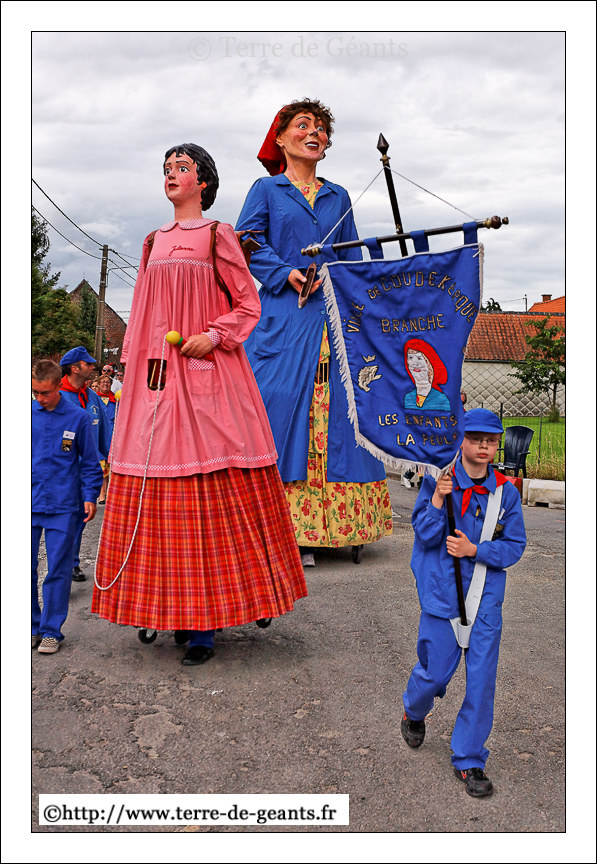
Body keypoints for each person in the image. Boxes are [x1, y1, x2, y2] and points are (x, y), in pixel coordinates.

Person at [92, 142, 307, 666]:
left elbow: (248, 303)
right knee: (161, 495)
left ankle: (206, 627)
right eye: (166, 168)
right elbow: (141, 312)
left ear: (203, 182)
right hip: (157, 381)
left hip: (209, 374)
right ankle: (171, 610)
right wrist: (132, 372)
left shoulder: (218, 235)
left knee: (210, 492)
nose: (171, 174)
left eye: (182, 168)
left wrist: (214, 335)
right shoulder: (152, 241)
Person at [236, 99, 392, 566]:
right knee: (280, 406)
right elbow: (246, 241)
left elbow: (352, 254)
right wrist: (286, 272)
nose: (315, 133)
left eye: (322, 128)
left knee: (340, 410)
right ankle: (279, 530)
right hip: (284, 316)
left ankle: (333, 529)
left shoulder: (338, 195)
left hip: (334, 317)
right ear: (281, 138)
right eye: (303, 125)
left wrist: (358, 291)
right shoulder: (267, 189)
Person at [400, 409, 526, 798]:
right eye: (475, 439)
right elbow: (424, 535)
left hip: (485, 599)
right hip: (443, 595)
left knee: (482, 682)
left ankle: (469, 759)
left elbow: (515, 545)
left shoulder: (506, 493)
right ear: (461, 440)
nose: (484, 446)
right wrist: (439, 498)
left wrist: (477, 550)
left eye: (491, 440)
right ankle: (413, 710)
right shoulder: (438, 480)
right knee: (435, 674)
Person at [32, 360, 103, 654]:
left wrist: (90, 495)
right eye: (35, 392)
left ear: (58, 385)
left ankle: (51, 631)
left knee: (58, 569)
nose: (40, 398)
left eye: (46, 392)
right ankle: (31, 627)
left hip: (64, 504)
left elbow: (89, 462)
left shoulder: (78, 418)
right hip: (29, 500)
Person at [59, 346, 112, 581]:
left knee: (81, 516)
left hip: (88, 470)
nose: (93, 367)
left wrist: (112, 457)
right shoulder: (56, 395)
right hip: (63, 471)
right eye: (88, 364)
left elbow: (105, 432)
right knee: (63, 519)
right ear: (75, 368)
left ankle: (72, 562)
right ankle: (62, 565)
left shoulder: (91, 396)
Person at [96, 374, 117, 504]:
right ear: (99, 384)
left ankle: (108, 491)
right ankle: (102, 492)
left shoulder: (116, 399)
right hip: (99, 435)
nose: (105, 384)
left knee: (109, 466)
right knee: (101, 465)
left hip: (113, 435)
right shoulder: (94, 399)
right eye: (103, 381)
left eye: (108, 382)